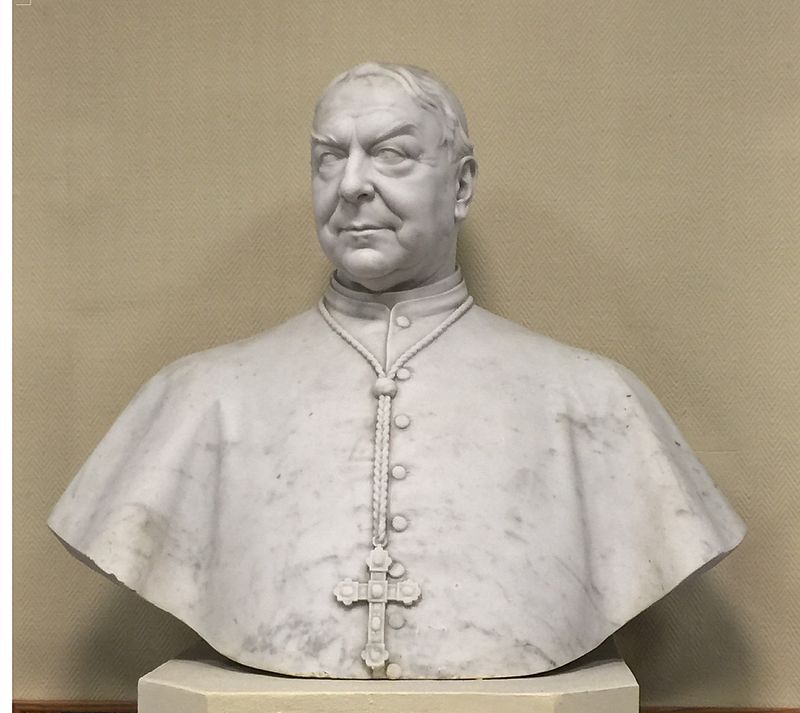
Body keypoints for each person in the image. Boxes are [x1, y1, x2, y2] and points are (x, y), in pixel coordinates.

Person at [48, 62, 745, 680]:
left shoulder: (595, 401)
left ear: (461, 184)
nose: (352, 184)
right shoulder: (199, 398)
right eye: (329, 158)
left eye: (392, 155)